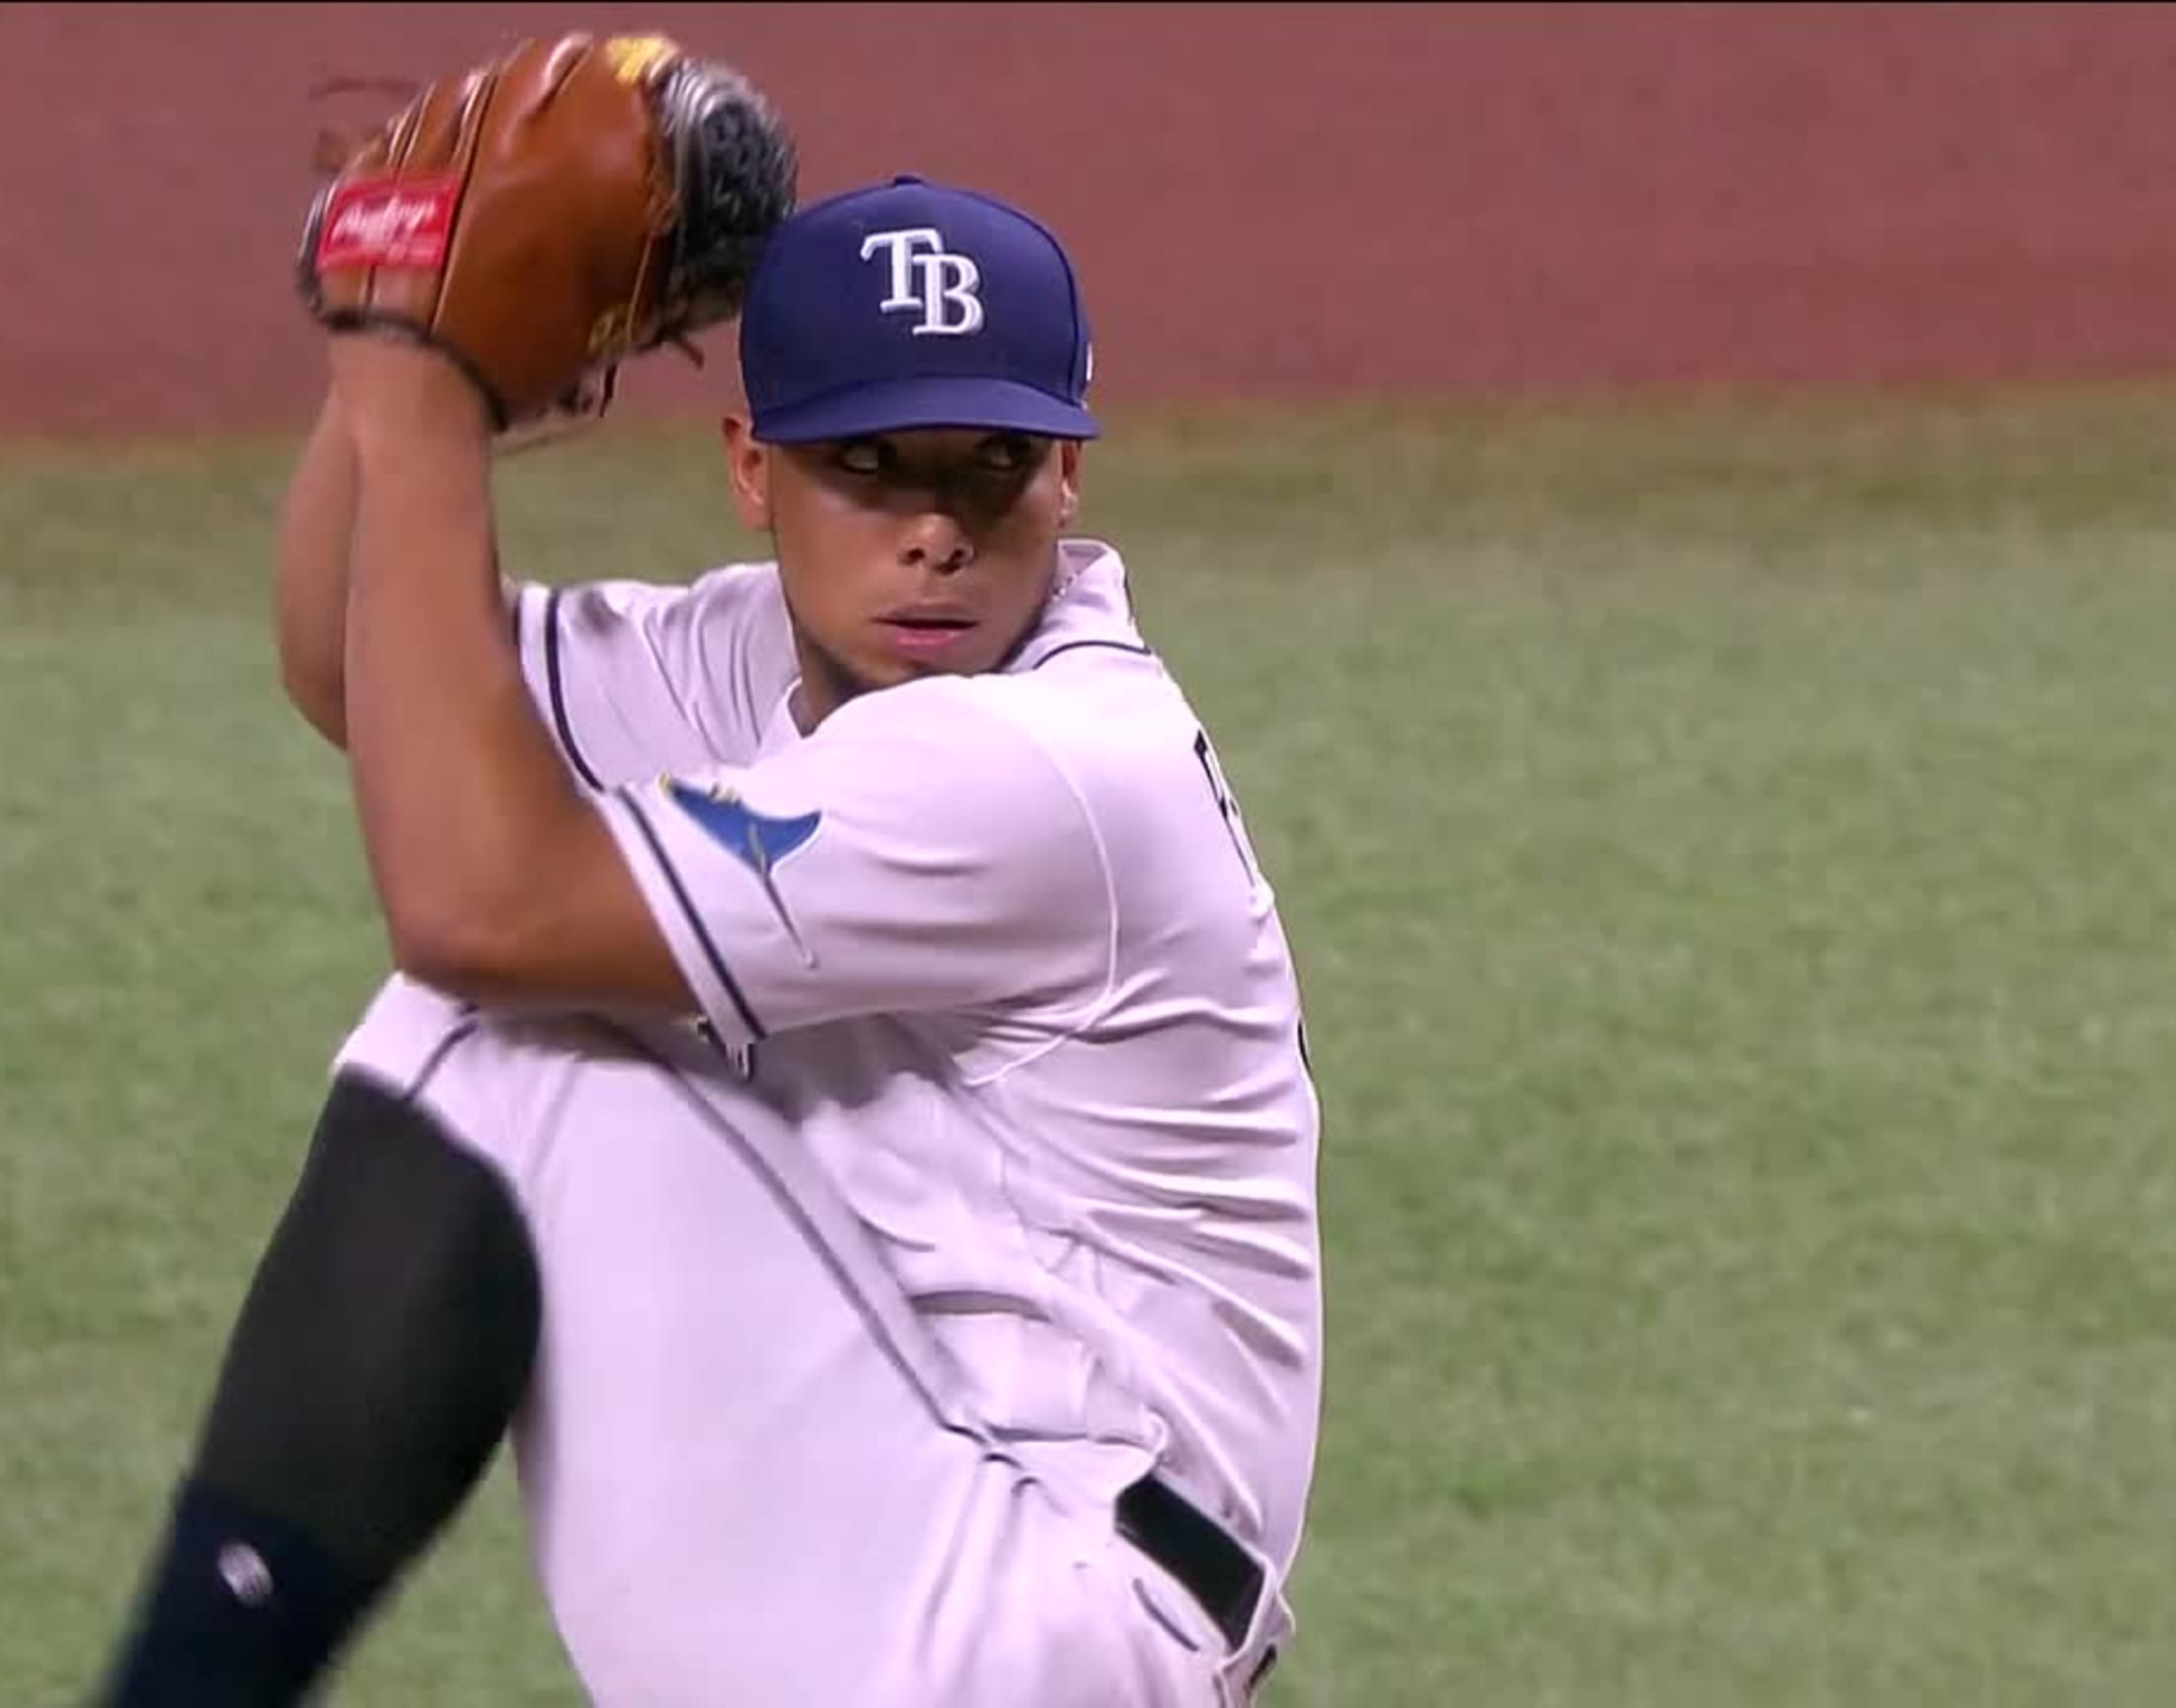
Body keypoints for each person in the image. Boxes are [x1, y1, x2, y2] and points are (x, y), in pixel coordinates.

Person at [92, 172, 1324, 1706]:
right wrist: (392, 350)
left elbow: (475, 912)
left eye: (989, 467)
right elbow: (363, 665)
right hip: (908, 1517)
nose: (934, 532)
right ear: (754, 465)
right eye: (871, 466)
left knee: (499, 1028)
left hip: (1045, 1592)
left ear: (1068, 476)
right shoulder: (748, 654)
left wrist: (429, 394)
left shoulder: (1052, 759)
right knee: (522, 1009)